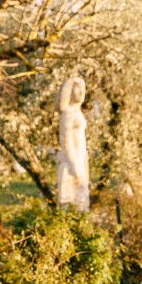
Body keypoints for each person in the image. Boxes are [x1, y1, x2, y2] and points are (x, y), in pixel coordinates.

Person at [56, 77, 90, 212]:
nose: (81, 93)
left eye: (83, 90)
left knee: (81, 201)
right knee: (71, 202)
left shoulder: (77, 112)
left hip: (81, 158)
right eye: (78, 89)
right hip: (71, 163)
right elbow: (66, 140)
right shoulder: (68, 114)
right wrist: (74, 163)